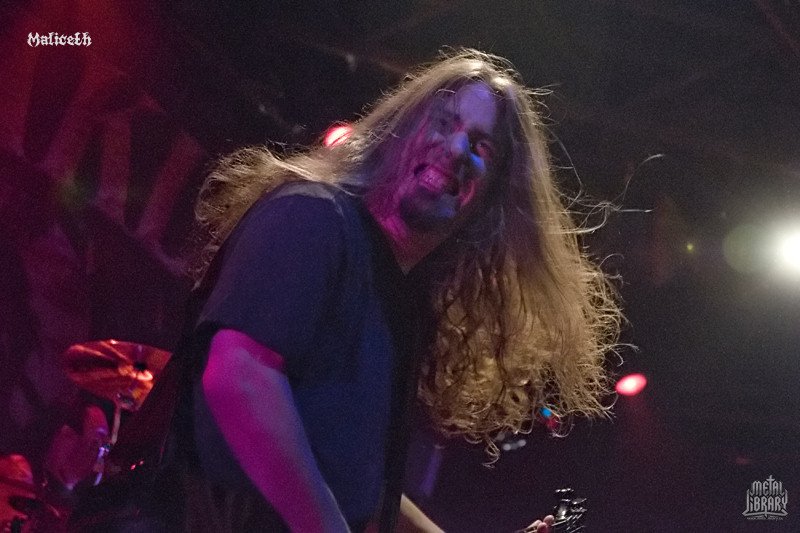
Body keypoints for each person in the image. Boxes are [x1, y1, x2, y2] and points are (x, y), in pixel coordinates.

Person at [71, 49, 621, 533]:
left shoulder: (401, 306)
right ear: (401, 133)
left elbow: (353, 490)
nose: (457, 148)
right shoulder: (314, 217)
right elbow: (239, 376)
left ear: (491, 200)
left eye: (481, 146)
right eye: (444, 123)